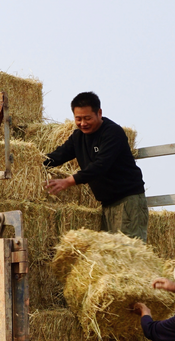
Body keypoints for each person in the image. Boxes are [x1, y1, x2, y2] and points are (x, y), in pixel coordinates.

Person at [43, 91, 149, 241]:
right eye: (78, 119)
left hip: (128, 201)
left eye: (87, 118)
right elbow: (58, 156)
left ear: (99, 113)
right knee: (109, 255)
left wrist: (68, 181)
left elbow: (100, 165)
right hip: (107, 204)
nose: (83, 123)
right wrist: (33, 162)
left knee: (128, 254)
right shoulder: (78, 137)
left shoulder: (112, 132)